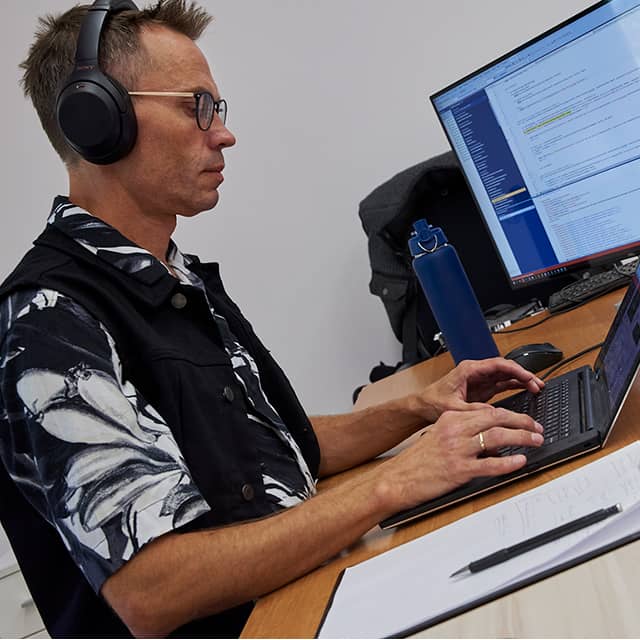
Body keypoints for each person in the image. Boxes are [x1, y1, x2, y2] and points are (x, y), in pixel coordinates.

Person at [0, 1, 545, 637]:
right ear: (98, 120)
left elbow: (273, 448)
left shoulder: (170, 274)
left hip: (307, 589)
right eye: (197, 106)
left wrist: (418, 409)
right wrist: (392, 482)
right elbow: (152, 590)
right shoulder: (47, 320)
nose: (223, 134)